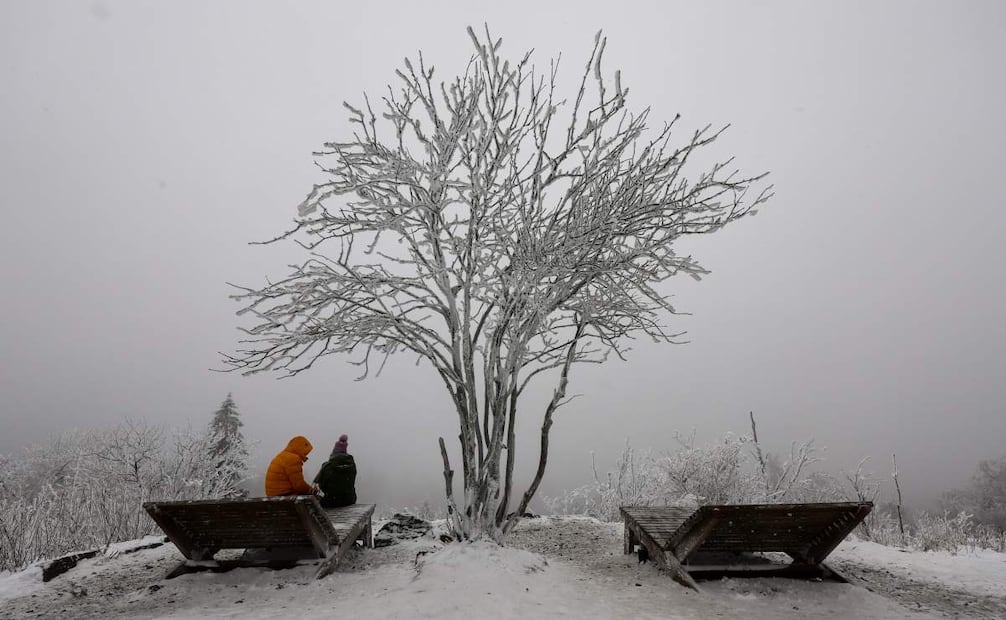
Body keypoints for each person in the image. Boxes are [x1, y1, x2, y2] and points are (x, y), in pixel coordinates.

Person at [314, 434, 357, 508]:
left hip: (331, 501)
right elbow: (351, 482)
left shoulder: (327, 466)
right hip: (349, 500)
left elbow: (322, 485)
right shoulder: (351, 465)